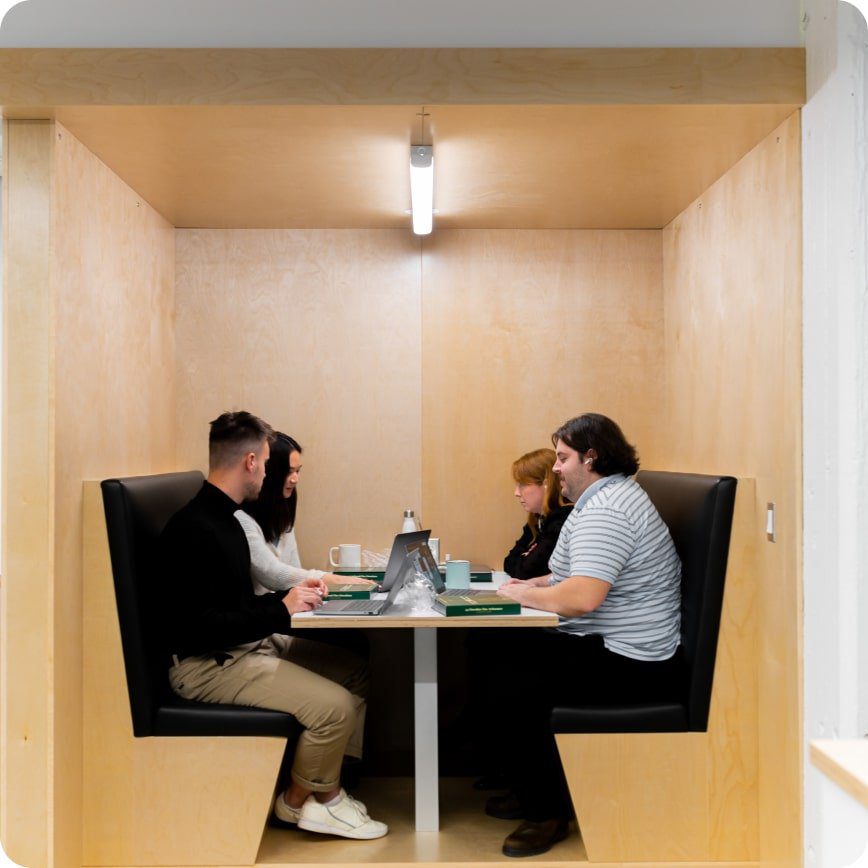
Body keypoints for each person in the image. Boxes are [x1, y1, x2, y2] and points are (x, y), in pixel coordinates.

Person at [159, 411, 388, 840]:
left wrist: (280, 609)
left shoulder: (225, 519)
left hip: (241, 647)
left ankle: (317, 793)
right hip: (207, 664)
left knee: (353, 669)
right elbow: (205, 628)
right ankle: (307, 801)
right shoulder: (197, 529)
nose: (269, 472)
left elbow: (237, 605)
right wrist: (281, 610)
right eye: (266, 462)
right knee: (334, 708)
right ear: (250, 462)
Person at [486, 413, 683, 858]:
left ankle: (547, 811)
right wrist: (531, 587)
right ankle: (532, 785)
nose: (555, 469)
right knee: (495, 649)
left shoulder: (608, 509)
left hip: (633, 660)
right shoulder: (604, 499)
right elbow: (566, 574)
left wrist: (518, 595)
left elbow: (583, 597)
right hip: (616, 644)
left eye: (562, 458)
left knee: (515, 680)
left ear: (591, 457)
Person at [236, 431, 375, 595]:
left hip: (290, 611)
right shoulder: (241, 519)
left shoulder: (283, 513)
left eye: (298, 471)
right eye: (289, 472)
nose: (295, 479)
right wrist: (336, 580)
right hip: (265, 615)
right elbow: (274, 575)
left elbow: (295, 572)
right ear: (270, 472)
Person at [503, 448, 573, 580]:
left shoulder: (562, 519)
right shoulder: (539, 518)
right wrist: (524, 558)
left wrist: (525, 557)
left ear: (547, 484)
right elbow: (508, 562)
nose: (516, 493)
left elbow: (526, 572)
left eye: (523, 484)